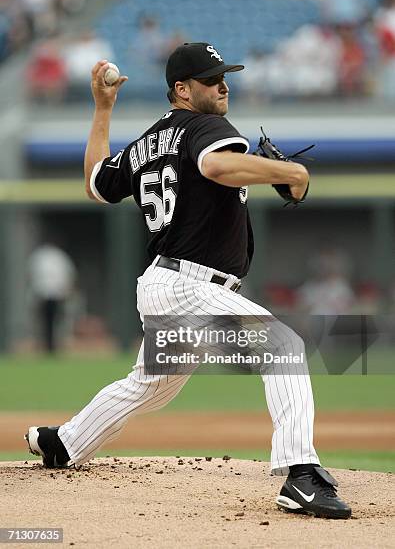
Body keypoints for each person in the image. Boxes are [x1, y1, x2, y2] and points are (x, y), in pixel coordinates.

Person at [25, 42, 351, 519]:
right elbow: (215, 165)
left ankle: (63, 443)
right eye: (210, 78)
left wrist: (102, 110)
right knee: (284, 349)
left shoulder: (147, 142)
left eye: (225, 76)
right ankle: (299, 476)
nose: (223, 85)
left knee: (150, 386)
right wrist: (291, 171)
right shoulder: (206, 126)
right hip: (189, 284)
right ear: (181, 89)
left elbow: (97, 181)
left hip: (167, 284)